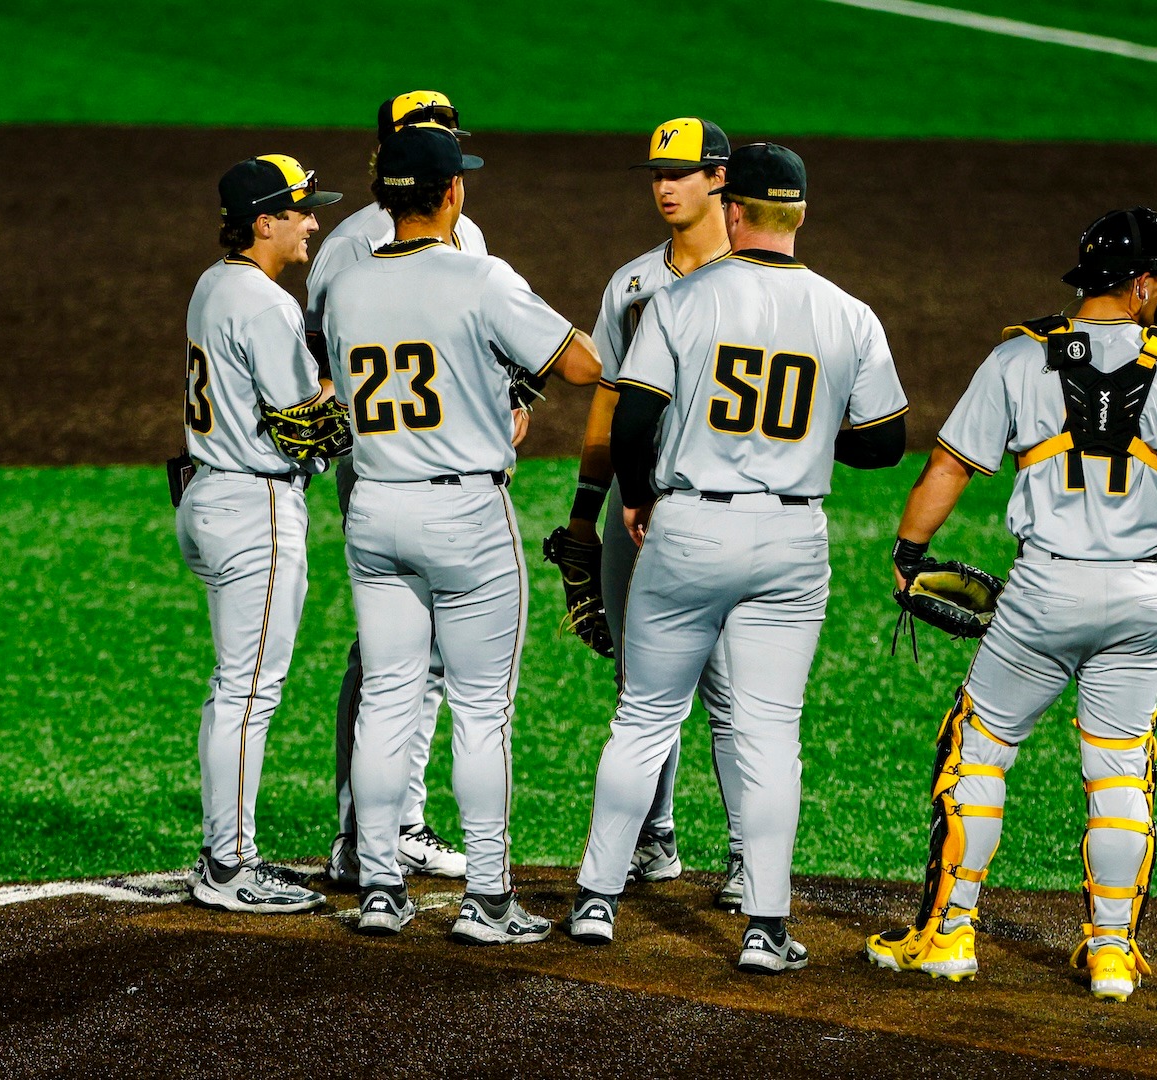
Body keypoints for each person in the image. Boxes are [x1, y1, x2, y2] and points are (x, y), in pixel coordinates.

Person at [863, 208, 1157, 1000]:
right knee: (1119, 767)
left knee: (979, 750)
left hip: (1046, 592)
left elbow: (950, 468)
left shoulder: (1016, 360)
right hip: (1141, 594)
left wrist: (909, 554)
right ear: (1140, 285)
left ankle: (950, 934)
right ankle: (1111, 952)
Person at [566, 144, 908, 973]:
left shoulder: (682, 300)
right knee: (768, 733)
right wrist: (808, 436)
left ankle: (595, 903)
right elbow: (886, 444)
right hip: (792, 540)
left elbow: (635, 421)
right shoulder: (847, 312)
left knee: (645, 716)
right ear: (801, 213)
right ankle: (763, 926)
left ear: (736, 209)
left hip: (688, 527)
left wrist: (639, 497)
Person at [321, 125, 601, 942]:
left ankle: (378, 885)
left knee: (387, 699)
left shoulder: (346, 287)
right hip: (463, 515)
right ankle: (486, 898)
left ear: (385, 197)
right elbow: (579, 366)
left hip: (375, 511)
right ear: (450, 194)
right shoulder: (482, 276)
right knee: (482, 710)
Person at [555, 117, 747, 907]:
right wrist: (584, 511)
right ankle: (653, 840)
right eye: (656, 174)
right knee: (642, 687)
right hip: (640, 512)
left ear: (720, 180)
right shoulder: (632, 284)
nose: (665, 187)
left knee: (734, 695)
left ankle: (744, 859)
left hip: (729, 511)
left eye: (683, 173)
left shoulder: (758, 278)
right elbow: (606, 400)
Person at [309, 92, 491, 888]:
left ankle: (395, 828)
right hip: (390, 469)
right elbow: (321, 369)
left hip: (453, 467)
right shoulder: (351, 246)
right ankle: (366, 831)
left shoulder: (468, 233)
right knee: (391, 657)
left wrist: (508, 401)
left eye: (447, 137)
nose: (442, 152)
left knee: (433, 660)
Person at [178, 155, 346, 913]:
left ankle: (224, 853)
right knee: (249, 691)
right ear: (263, 222)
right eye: (301, 210)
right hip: (256, 508)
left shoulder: (214, 286)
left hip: (209, 498)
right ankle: (229, 864)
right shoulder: (266, 305)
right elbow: (306, 425)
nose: (314, 221)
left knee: (233, 690)